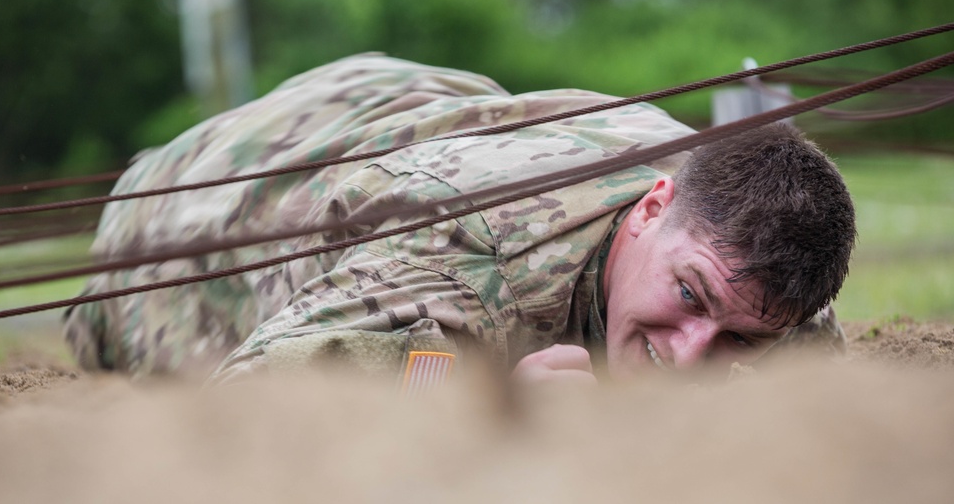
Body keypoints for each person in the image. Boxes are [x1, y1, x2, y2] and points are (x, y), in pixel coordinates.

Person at [62, 53, 854, 387]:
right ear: (654, 207)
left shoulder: (766, 284)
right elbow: (262, 380)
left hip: (415, 108)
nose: (689, 361)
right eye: (689, 298)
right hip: (189, 205)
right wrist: (486, 395)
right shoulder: (476, 266)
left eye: (739, 340)